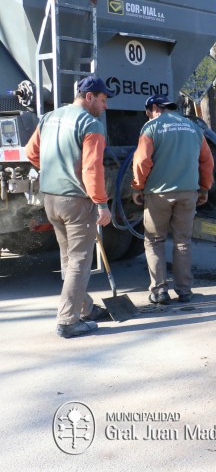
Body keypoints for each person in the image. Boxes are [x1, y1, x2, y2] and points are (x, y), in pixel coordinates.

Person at [25, 75, 114, 338]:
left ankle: (84, 307)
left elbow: (31, 152)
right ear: (89, 97)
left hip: (51, 199)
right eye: (103, 99)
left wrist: (55, 172)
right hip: (76, 202)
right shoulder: (91, 124)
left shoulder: (49, 118)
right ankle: (68, 320)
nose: (105, 106)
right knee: (79, 261)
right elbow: (91, 169)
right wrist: (102, 204)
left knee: (68, 258)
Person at [131, 94, 214, 305]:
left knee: (154, 241)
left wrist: (137, 187)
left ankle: (159, 291)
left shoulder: (151, 128)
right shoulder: (193, 128)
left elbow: (141, 162)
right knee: (183, 242)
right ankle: (185, 291)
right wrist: (204, 188)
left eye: (147, 112)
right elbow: (206, 160)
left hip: (158, 194)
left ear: (155, 108)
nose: (147, 116)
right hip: (188, 193)